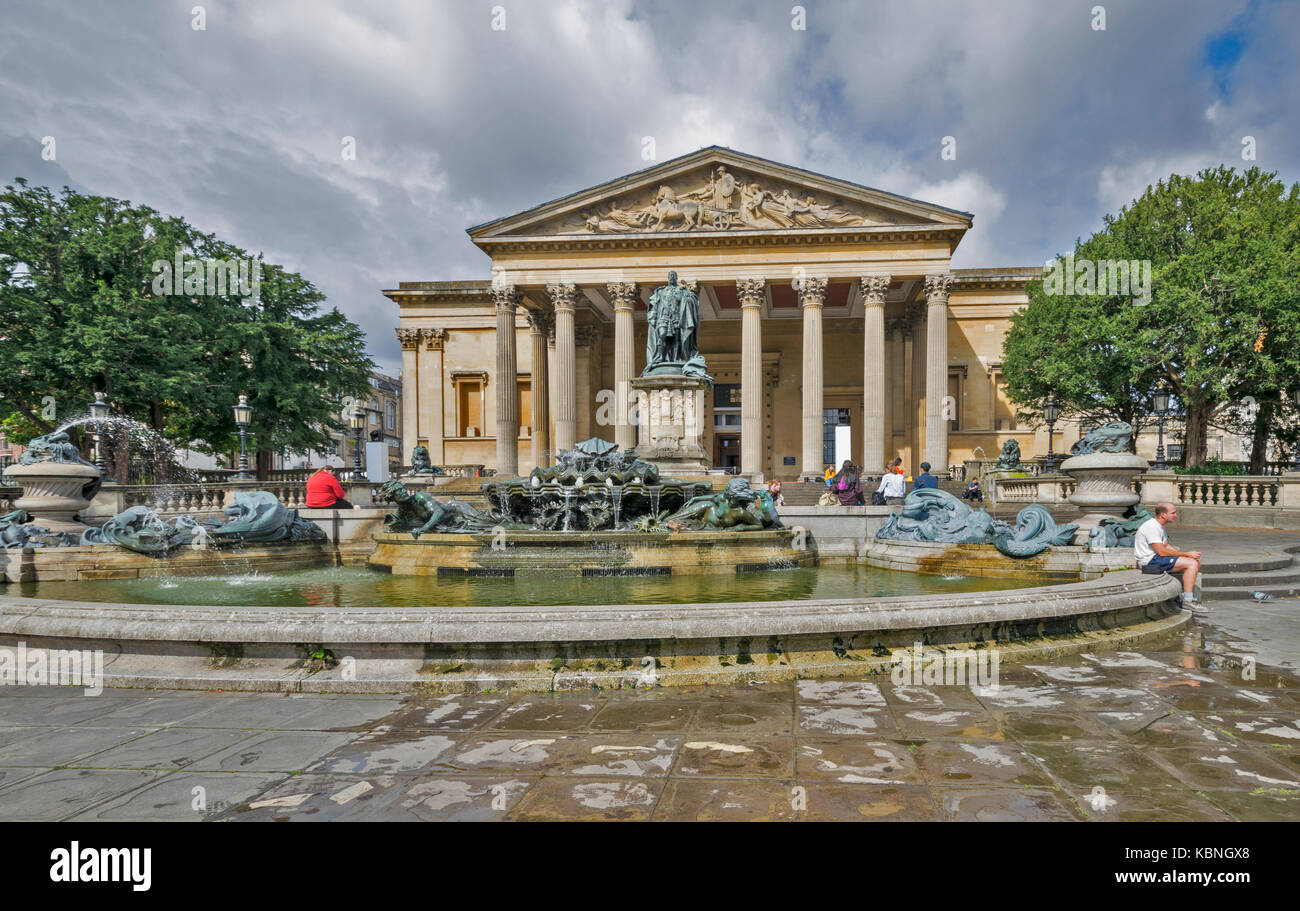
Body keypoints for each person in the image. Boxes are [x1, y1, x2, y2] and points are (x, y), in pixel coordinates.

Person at [1134, 502, 1204, 612]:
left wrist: (1187, 556)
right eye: (1173, 513)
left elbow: (1166, 546)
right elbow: (1162, 552)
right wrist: (1186, 555)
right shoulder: (1151, 527)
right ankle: (1188, 601)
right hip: (1149, 562)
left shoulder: (1159, 526)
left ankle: (1184, 596)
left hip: (1156, 558)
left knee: (1193, 562)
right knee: (1192, 564)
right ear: (1163, 514)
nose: (1176, 515)